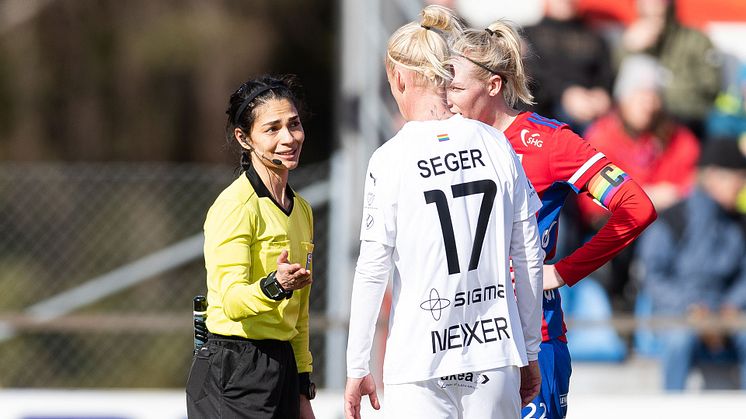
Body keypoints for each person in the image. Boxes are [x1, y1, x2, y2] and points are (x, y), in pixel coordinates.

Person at [446, 20, 657, 419]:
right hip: (463, 340)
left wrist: (563, 271)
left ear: (493, 86)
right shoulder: (445, 142)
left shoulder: (549, 142)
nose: (447, 98)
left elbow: (636, 207)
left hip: (533, 338)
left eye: (455, 88)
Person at [344, 5, 545, 419]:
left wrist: (357, 365)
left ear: (398, 78)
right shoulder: (494, 143)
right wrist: (528, 349)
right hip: (492, 352)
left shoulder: (390, 158)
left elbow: (372, 267)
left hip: (419, 357)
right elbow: (528, 254)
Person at [185, 75, 316, 419]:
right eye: (272, 129)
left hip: (282, 367)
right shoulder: (235, 206)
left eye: (294, 125)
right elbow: (230, 300)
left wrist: (303, 387)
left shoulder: (301, 209)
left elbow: (299, 314)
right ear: (245, 139)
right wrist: (274, 286)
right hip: (235, 368)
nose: (288, 138)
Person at [580, 54, 700, 306]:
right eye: (639, 94)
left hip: (670, 225)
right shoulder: (602, 136)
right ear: (623, 97)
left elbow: (691, 185)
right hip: (618, 229)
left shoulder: (677, 138)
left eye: (653, 95)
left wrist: (668, 196)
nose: (647, 103)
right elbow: (590, 202)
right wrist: (646, 196)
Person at [636, 138, 746, 391]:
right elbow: (653, 275)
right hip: (678, 310)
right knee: (679, 339)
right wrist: (691, 308)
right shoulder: (675, 218)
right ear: (713, 176)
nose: (741, 187)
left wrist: (732, 306)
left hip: (727, 311)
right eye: (736, 178)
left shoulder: (739, 224)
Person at [619, 0, 722, 138]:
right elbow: (619, 87)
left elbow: (710, 87)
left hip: (685, 121)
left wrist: (663, 98)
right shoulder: (630, 41)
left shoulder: (695, 40)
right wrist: (629, 49)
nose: (654, 5)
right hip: (640, 124)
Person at [523, 0, 614, 133]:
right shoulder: (529, 34)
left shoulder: (595, 36)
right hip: (547, 108)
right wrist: (565, 93)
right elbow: (534, 74)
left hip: (591, 107)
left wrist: (602, 93)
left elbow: (606, 73)